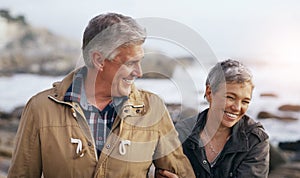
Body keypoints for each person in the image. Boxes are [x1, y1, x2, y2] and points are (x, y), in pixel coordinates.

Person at [8, 13, 195, 178]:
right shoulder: (40, 108)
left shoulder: (153, 108)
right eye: (131, 63)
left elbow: (180, 173)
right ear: (99, 60)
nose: (138, 72)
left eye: (140, 62)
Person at [158, 59, 270, 178]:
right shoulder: (182, 132)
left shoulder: (255, 140)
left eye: (245, 101)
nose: (237, 108)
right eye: (230, 97)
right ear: (210, 92)